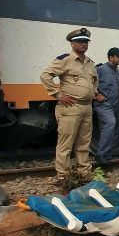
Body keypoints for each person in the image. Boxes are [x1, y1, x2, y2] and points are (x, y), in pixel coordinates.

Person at [39, 28, 98, 182]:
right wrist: (58, 94)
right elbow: (45, 75)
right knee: (66, 143)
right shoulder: (65, 60)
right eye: (80, 41)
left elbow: (95, 80)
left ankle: (83, 173)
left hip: (86, 107)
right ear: (72, 43)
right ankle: (63, 176)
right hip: (71, 107)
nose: (84, 44)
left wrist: (94, 92)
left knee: (84, 143)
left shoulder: (90, 63)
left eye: (85, 41)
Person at [93, 47, 119, 164]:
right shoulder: (100, 69)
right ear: (111, 57)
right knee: (110, 124)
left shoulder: (116, 69)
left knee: (115, 129)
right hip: (104, 104)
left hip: (115, 104)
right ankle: (101, 154)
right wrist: (96, 94)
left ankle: (106, 154)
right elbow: (90, 82)